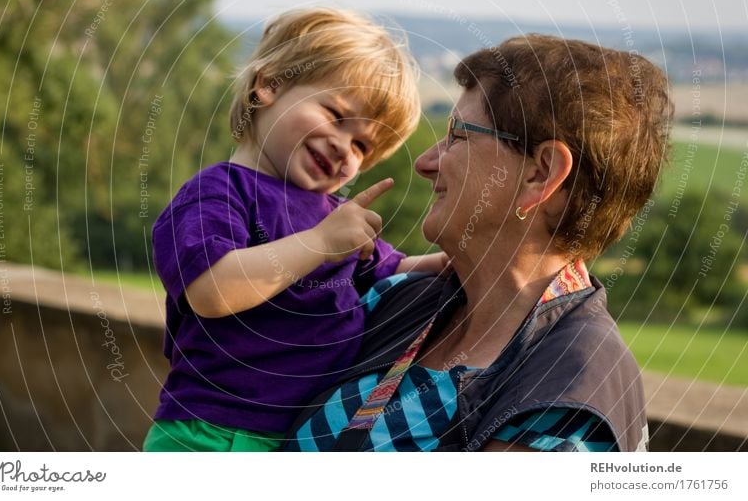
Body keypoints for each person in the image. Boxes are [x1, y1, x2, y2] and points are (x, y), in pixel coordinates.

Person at [286, 34, 673, 452]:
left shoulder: (570, 386)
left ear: (540, 174)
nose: (425, 163)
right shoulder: (400, 298)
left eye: (457, 135)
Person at [143, 8, 448, 452]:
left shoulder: (334, 214)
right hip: (213, 433)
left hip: (301, 437)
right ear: (268, 85)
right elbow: (212, 291)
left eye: (362, 145)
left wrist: (450, 262)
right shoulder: (219, 193)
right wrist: (322, 242)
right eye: (335, 114)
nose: (344, 146)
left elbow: (390, 268)